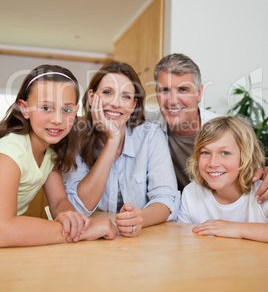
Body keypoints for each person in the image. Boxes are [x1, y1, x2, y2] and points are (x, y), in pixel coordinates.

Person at [0, 64, 116, 247]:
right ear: (24, 108)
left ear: (76, 111)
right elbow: (3, 230)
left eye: (66, 110)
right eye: (46, 108)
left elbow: (59, 202)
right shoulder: (10, 151)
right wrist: (86, 230)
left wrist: (73, 220)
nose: (57, 119)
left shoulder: (50, 152)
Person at [64, 61, 179, 237]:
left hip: (140, 239)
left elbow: (166, 198)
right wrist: (113, 139)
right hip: (91, 237)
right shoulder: (75, 138)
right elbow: (77, 207)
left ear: (134, 105)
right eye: (108, 92)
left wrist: (139, 218)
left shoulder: (151, 136)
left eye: (125, 96)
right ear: (92, 97)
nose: (116, 104)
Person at [151, 53, 268, 200]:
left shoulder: (226, 130)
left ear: (199, 93)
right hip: (172, 215)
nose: (173, 100)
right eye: (165, 90)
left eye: (183, 90)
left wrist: (263, 172)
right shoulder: (146, 129)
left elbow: (254, 173)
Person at [177, 116, 268, 243]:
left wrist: (236, 228)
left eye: (225, 153)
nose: (213, 163)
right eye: (205, 153)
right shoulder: (192, 193)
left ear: (245, 156)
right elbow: (181, 238)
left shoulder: (263, 191)